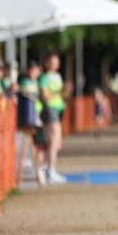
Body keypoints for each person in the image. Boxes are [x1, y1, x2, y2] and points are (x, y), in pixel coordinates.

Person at [38, 52, 67, 184]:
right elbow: (45, 96)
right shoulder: (44, 78)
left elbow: (60, 94)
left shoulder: (58, 76)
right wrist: (58, 92)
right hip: (49, 109)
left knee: (57, 143)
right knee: (53, 141)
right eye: (52, 61)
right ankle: (50, 171)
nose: (54, 64)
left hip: (58, 110)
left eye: (56, 61)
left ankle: (45, 169)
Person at [16, 61, 45, 185]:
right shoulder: (25, 83)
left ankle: (40, 168)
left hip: (36, 117)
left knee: (41, 145)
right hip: (29, 119)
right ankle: (37, 170)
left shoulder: (35, 83)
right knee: (33, 145)